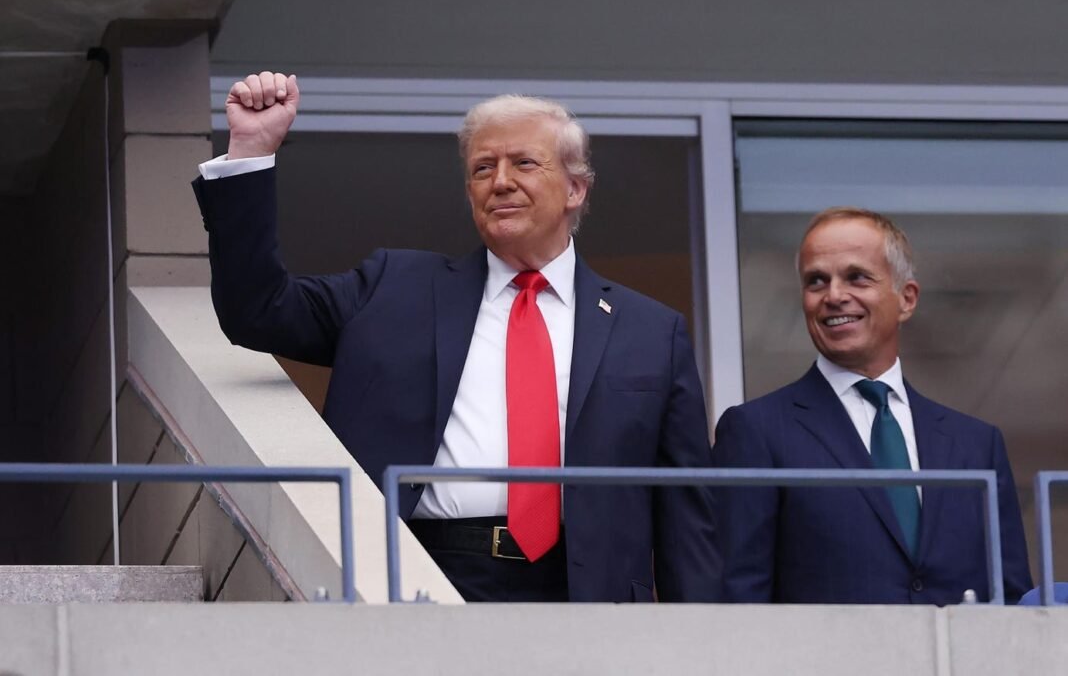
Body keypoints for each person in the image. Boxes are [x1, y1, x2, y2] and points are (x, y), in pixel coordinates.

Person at [192, 72, 718, 602]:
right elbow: (257, 311)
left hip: (587, 595)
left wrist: (702, 646)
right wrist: (251, 152)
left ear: (576, 188)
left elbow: (686, 517)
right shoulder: (393, 288)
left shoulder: (652, 331)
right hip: (420, 580)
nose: (501, 181)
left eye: (524, 163)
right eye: (483, 168)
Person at [710, 207, 1032, 604]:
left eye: (856, 277)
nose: (833, 295)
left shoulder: (976, 445)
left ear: (907, 299)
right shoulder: (756, 431)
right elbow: (738, 600)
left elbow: (1014, 600)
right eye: (816, 281)